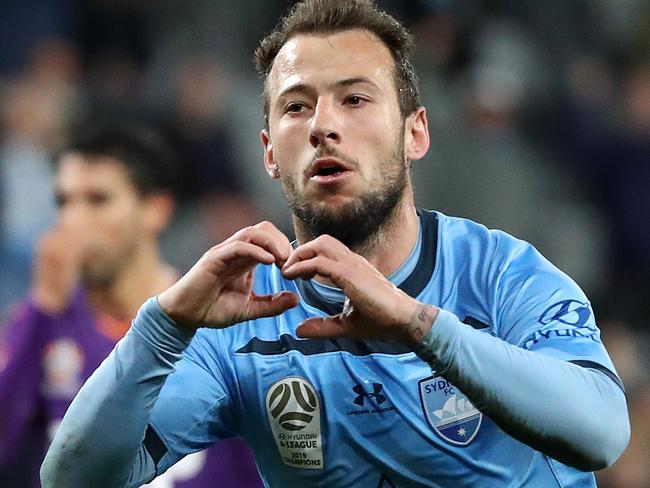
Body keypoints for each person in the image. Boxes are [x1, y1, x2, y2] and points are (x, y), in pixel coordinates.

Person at [41, 1, 630, 487]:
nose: (323, 124)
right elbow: (72, 480)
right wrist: (162, 326)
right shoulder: (244, 320)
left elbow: (601, 435)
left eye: (355, 98)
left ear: (414, 133)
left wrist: (420, 327)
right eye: (298, 106)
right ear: (270, 153)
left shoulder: (503, 276)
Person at [0, 124, 262, 487]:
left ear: (156, 209)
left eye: (97, 199)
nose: (73, 220)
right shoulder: (38, 326)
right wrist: (40, 312)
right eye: (64, 201)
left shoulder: (221, 321)